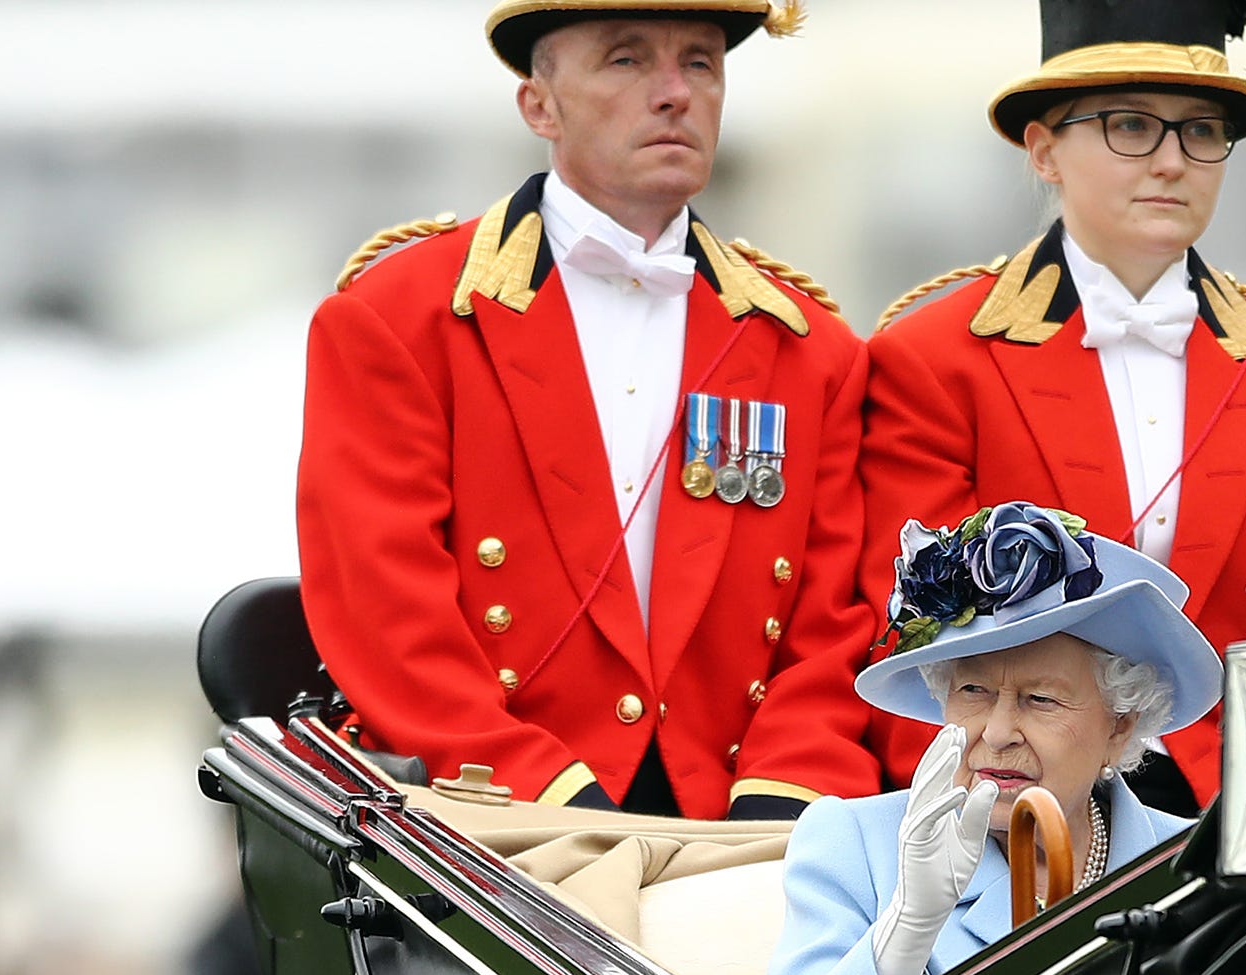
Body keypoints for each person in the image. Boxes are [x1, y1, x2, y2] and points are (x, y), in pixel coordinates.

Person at [296, 0, 879, 820]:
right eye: (626, 60)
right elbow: (385, 613)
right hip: (494, 821)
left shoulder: (812, 349)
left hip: (740, 828)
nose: (676, 92)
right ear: (540, 104)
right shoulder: (398, 319)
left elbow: (835, 623)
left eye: (702, 62)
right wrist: (550, 797)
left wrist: (782, 802)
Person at [858, 0, 1246, 817]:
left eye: (1202, 131)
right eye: (1131, 125)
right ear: (1043, 149)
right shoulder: (933, 357)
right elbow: (915, 623)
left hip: (1239, 802)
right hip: (1004, 794)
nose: (1172, 161)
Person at [766, 503, 1218, 975]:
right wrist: (903, 937)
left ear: (1120, 726)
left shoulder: (1193, 865)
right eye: (973, 691)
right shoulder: (853, 845)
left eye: (1040, 700)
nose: (998, 732)